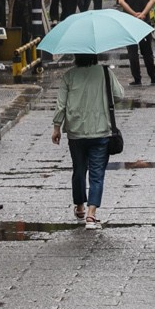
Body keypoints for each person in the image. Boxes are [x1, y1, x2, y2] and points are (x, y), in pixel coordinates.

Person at [52, 53, 122, 227]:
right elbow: (119, 95)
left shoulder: (69, 75)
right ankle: (91, 213)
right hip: (101, 131)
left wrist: (56, 127)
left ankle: (80, 206)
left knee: (79, 169)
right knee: (97, 174)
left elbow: (61, 104)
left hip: (76, 133)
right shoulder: (105, 72)